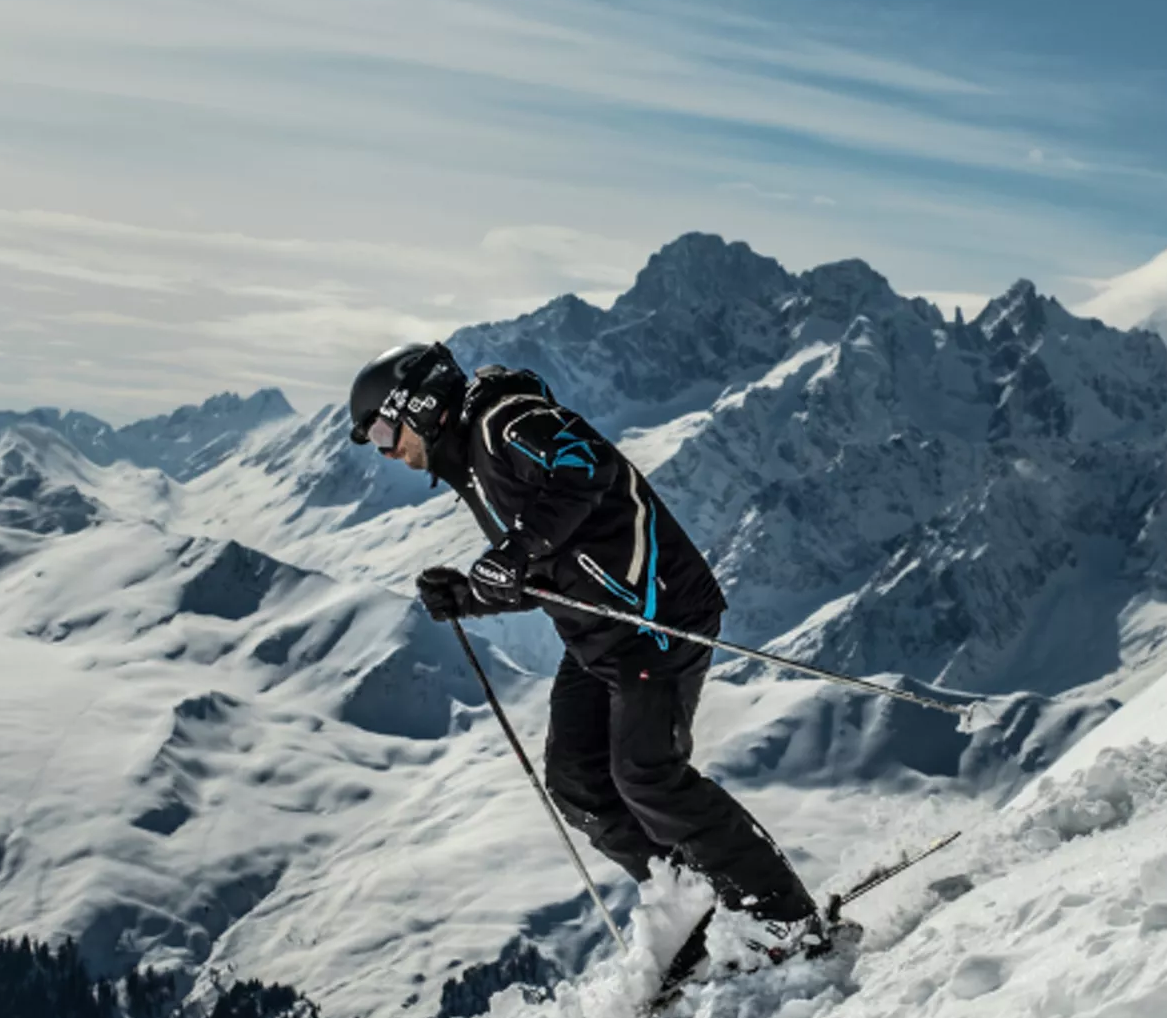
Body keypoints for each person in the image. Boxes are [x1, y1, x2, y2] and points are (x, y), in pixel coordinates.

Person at [346, 339, 829, 956]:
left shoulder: (506, 420)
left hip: (656, 619)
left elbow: (582, 466)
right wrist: (471, 594)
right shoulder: (472, 462)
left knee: (648, 776)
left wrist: (513, 552)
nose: (390, 450)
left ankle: (784, 916)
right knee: (577, 782)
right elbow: (550, 568)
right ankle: (696, 914)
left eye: (386, 431)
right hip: (601, 635)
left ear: (418, 404)